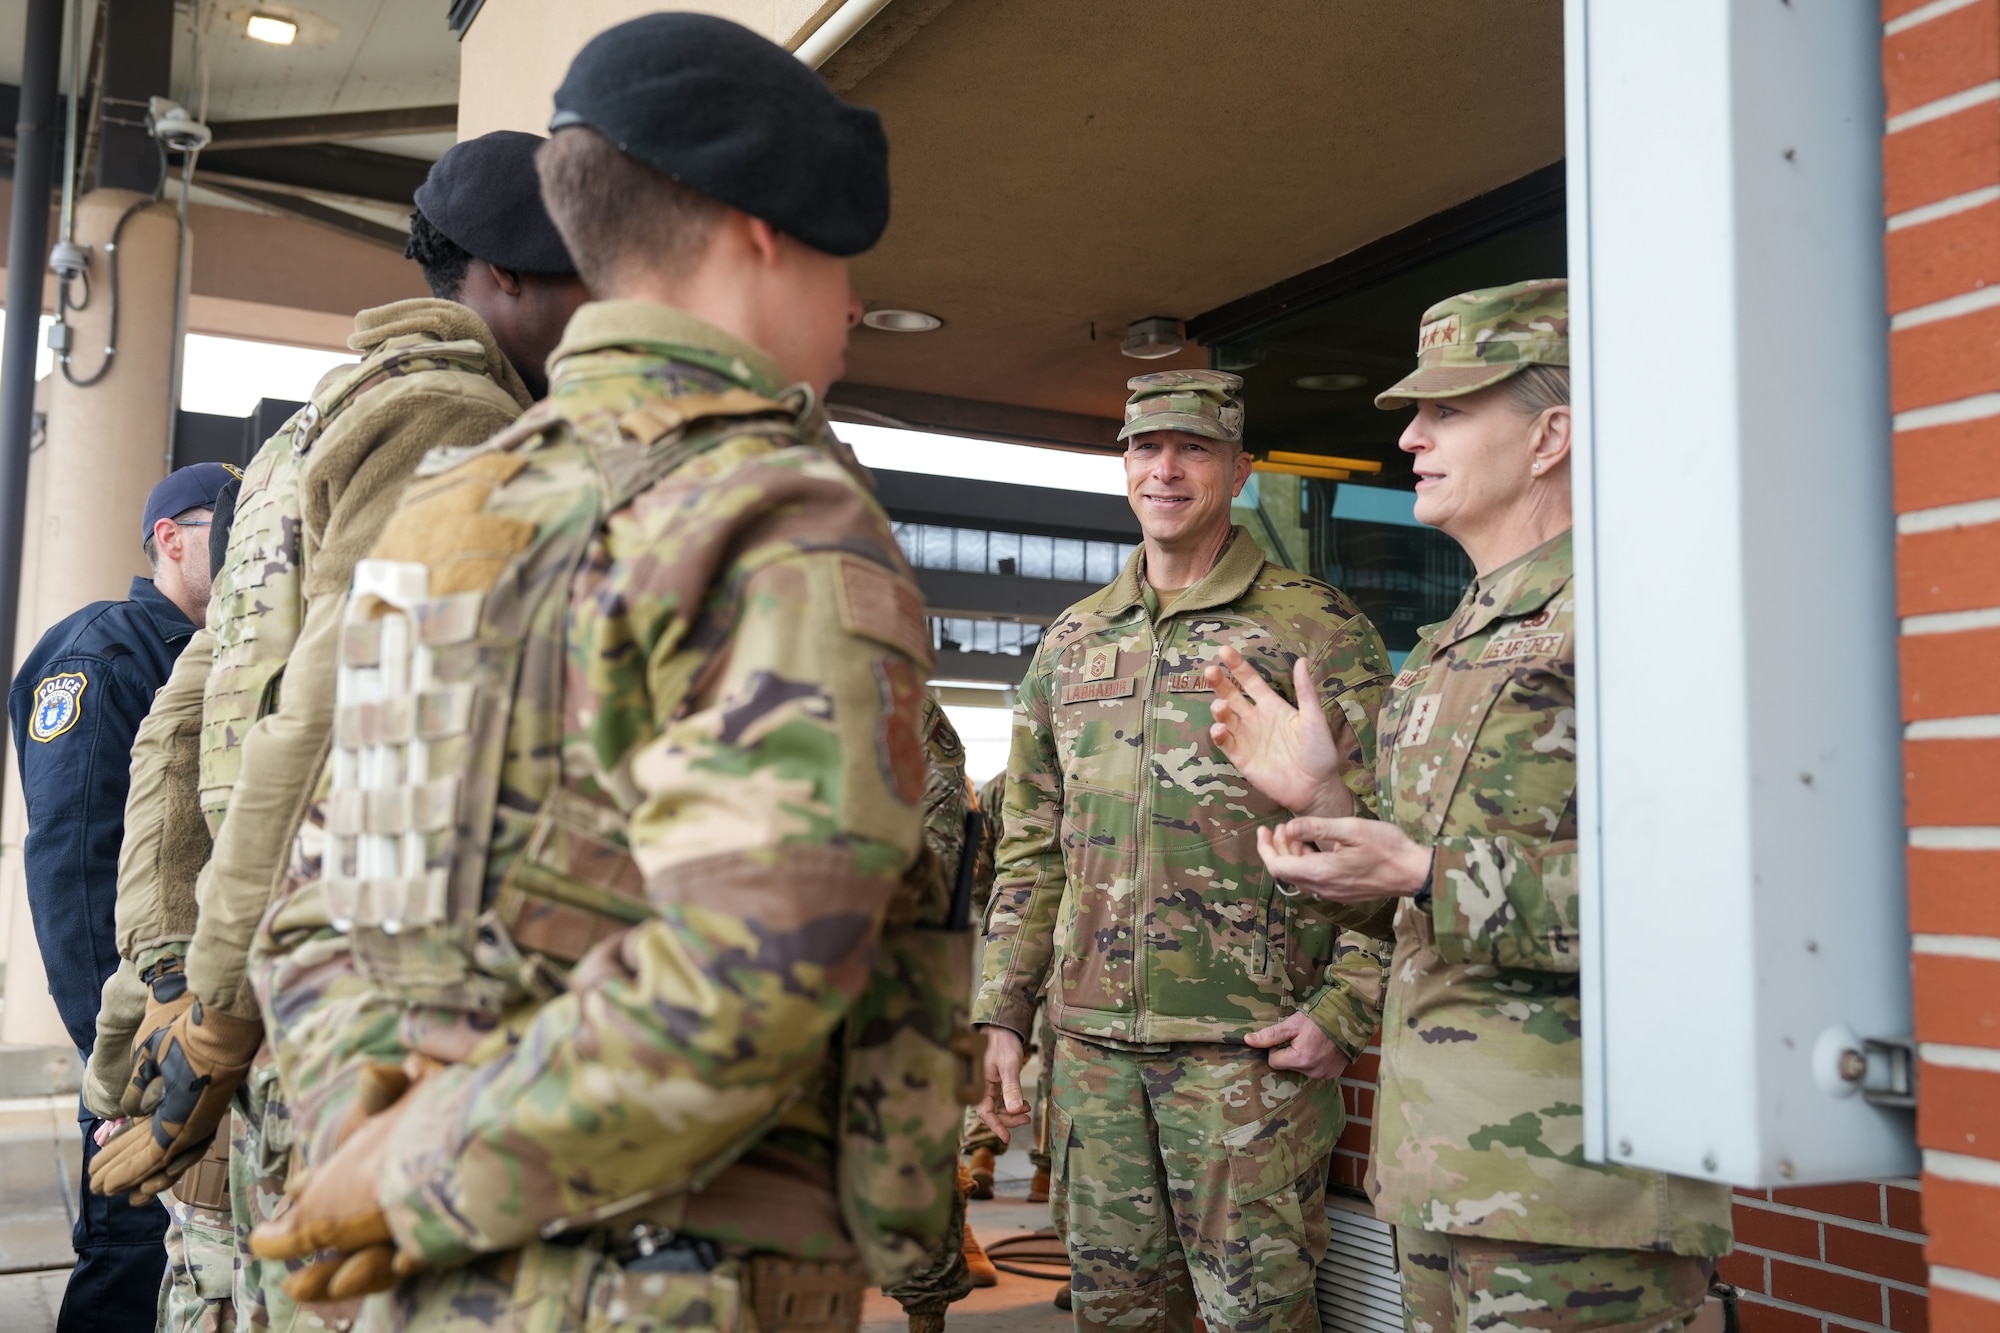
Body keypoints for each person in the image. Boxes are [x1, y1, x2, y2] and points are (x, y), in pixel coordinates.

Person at [242, 14, 961, 1331]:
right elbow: (755, 974)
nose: (852, 306)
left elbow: (314, 907)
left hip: (406, 1282)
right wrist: (416, 1169)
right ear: (763, 236)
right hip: (660, 1281)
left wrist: (364, 1129)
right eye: (841, 259)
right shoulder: (772, 513)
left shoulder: (456, 507)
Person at [83, 129, 588, 1333]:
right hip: (355, 998)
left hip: (272, 984)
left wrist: (169, 965)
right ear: (504, 277)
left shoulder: (302, 432)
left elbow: (184, 717)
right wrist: (207, 1009)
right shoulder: (448, 418)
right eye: (580, 276)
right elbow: (330, 715)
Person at [1204, 279, 1734, 1333]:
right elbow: (1413, 896)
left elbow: (1706, 904)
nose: (1408, 437)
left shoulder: (1640, 611)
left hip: (1582, 1197)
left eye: (1447, 411)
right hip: (1443, 1174)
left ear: (1550, 435)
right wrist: (1324, 801)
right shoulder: (1455, 637)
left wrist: (1418, 873)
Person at [972, 369, 1394, 1332]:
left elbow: (1388, 833)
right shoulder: (1071, 643)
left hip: (1248, 1060)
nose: (1164, 469)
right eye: (1144, 447)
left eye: (1193, 449)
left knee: (1260, 1319)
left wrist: (1347, 1004)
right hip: (1091, 1060)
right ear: (1123, 465)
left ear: (1240, 470)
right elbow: (1032, 850)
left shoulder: (1314, 630)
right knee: (1117, 1317)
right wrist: (1004, 1009)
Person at [9, 462, 236, 1333]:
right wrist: (125, 1060)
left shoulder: (232, 649)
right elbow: (76, 870)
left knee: (187, 1265)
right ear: (169, 541)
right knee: (132, 1259)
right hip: (147, 1031)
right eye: (226, 525)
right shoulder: (103, 653)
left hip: (201, 1023)